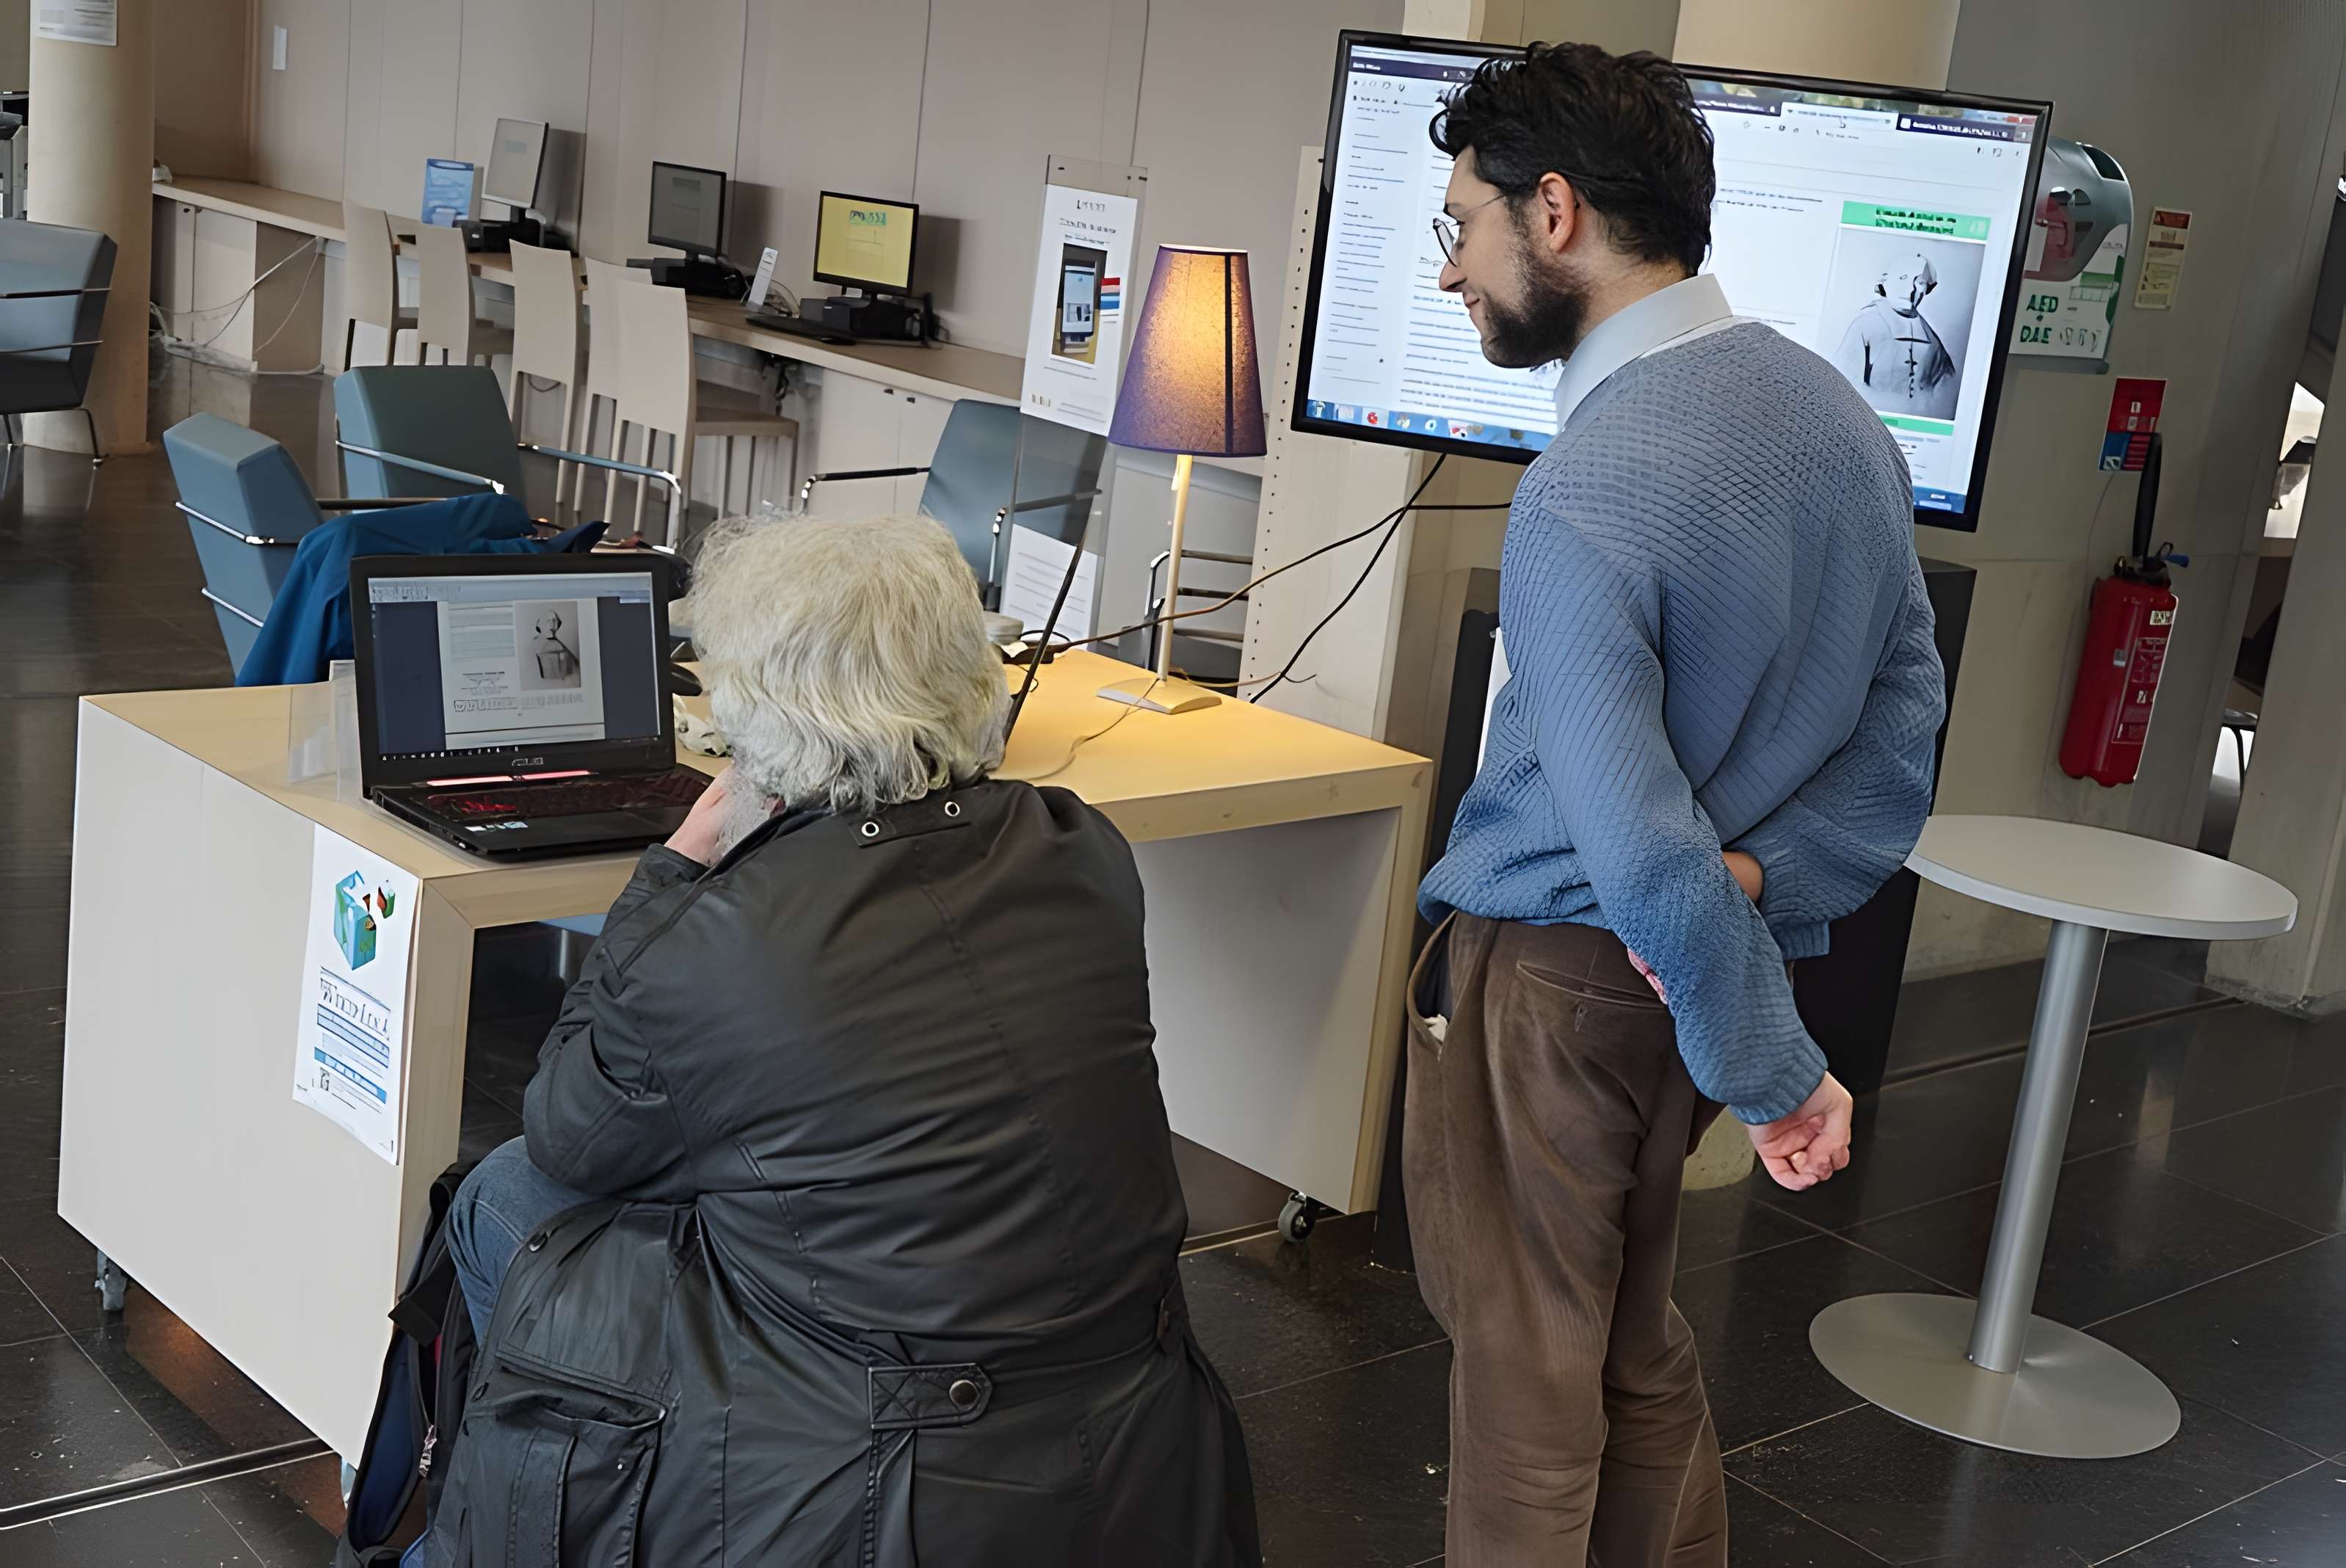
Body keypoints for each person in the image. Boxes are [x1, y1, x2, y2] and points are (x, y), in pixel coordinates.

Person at [425, 514, 1260, 1567]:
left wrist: (669, 878)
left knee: (505, 1191)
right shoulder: (1078, 846)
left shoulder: (722, 939)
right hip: (1133, 1401)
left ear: (754, 714)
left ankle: (545, 1498)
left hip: (881, 1453)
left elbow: (572, 1138)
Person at [1409, 43, 1945, 1567]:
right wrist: (1768, 889)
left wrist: (1780, 1080)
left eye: (1462, 224)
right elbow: (1904, 717)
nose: (1451, 272)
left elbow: (1640, 858)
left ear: (1555, 213)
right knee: (1627, 1344)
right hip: (1694, 986)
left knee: (1523, 1385)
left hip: (1569, 986)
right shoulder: (1837, 421)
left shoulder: (1584, 488)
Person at [1833, 253, 1961, 418]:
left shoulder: (1931, 338)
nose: (1910, 289)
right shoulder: (1866, 324)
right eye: (1903, 278)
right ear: (1885, 282)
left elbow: (1947, 391)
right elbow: (1840, 387)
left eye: (1920, 282)